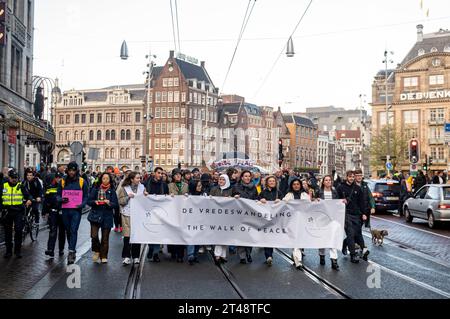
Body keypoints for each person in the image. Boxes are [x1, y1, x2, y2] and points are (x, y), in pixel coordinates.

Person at [56, 161, 89, 265]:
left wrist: (82, 204)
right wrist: (61, 199)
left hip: (76, 211)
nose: (71, 172)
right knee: (68, 231)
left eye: (73, 170)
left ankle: (71, 252)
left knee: (73, 230)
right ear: (67, 170)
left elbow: (86, 196)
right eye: (70, 170)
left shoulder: (82, 181)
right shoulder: (62, 181)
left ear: (76, 170)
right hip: (65, 210)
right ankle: (72, 249)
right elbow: (57, 195)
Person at [87, 172, 119, 264]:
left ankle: (104, 256)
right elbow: (89, 201)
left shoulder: (112, 191)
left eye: (107, 179)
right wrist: (95, 202)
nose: (105, 180)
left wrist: (109, 203)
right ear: (101, 179)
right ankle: (97, 250)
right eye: (103, 178)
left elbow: (115, 204)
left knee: (105, 238)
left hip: (107, 216)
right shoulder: (96, 189)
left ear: (110, 180)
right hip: (95, 215)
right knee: (94, 236)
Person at [117, 171, 148, 265]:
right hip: (127, 214)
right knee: (127, 236)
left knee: (137, 236)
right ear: (132, 179)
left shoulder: (142, 187)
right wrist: (127, 197)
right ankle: (126, 256)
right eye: (137, 178)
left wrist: (146, 195)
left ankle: (136, 256)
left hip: (138, 215)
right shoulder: (124, 188)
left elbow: (145, 202)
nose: (139, 180)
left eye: (140, 178)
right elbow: (120, 201)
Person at [0, 170, 32, 258]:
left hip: (18, 211)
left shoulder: (20, 186)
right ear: (9, 178)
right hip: (7, 212)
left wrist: (29, 199)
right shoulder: (3, 186)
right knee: (8, 232)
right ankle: (8, 251)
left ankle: (17, 251)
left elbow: (28, 195)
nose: (14, 179)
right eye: (12, 178)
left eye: (16, 178)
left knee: (18, 230)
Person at [336, 170, 366, 264]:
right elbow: (336, 199)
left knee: (357, 233)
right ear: (346, 177)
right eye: (350, 177)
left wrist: (364, 213)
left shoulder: (358, 188)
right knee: (350, 233)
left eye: (353, 177)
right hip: (345, 213)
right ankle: (353, 255)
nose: (352, 178)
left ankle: (345, 244)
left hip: (356, 213)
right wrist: (341, 200)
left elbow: (362, 202)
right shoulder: (340, 187)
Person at [232, 170, 258, 264]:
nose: (247, 178)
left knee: (250, 235)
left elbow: (256, 199)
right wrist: (235, 197)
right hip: (240, 215)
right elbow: (232, 199)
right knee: (241, 235)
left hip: (250, 215)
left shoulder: (254, 188)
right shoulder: (236, 187)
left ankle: (248, 253)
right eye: (245, 176)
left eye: (249, 176)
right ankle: (242, 256)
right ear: (242, 177)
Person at [283, 178, 310, 269]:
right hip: (292, 221)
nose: (296, 186)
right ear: (291, 186)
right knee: (296, 240)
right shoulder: (289, 195)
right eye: (294, 184)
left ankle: (296, 255)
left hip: (303, 220)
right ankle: (298, 261)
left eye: (298, 184)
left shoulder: (305, 195)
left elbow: (310, 206)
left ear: (300, 185)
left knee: (300, 240)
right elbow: (283, 204)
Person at [187, 173, 213, 264]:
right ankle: (190, 255)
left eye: (200, 185)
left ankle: (195, 255)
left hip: (201, 219)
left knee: (198, 237)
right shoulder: (189, 195)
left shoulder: (204, 194)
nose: (200, 187)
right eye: (198, 186)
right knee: (191, 237)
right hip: (191, 219)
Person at [258, 176, 283, 266]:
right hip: (265, 218)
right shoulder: (263, 192)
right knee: (266, 237)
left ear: (276, 183)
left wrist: (280, 201)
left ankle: (269, 255)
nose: (272, 182)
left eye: (273, 181)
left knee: (272, 237)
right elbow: (256, 203)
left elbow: (284, 204)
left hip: (275, 218)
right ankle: (268, 256)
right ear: (267, 182)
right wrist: (260, 200)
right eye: (270, 181)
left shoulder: (279, 193)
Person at [317, 175, 340, 270]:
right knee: (322, 238)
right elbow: (313, 203)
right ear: (323, 182)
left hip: (332, 218)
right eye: (326, 180)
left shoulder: (334, 192)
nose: (328, 182)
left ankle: (334, 260)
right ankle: (322, 255)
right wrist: (315, 200)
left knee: (333, 238)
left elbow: (338, 203)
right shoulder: (319, 192)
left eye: (329, 180)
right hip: (322, 219)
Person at [146, 167, 169, 262]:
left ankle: (155, 253)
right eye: (159, 173)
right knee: (150, 232)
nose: (160, 175)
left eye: (162, 173)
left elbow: (167, 197)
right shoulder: (146, 183)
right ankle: (151, 247)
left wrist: (169, 196)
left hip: (160, 212)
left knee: (158, 233)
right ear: (154, 173)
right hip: (149, 212)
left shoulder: (164, 185)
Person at [210, 174, 233, 265]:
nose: (221, 181)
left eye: (223, 179)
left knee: (225, 236)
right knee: (218, 235)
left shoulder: (230, 190)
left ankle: (223, 255)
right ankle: (217, 255)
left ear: (226, 181)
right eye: (220, 179)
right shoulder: (214, 189)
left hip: (227, 217)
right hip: (216, 216)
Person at [43, 172, 67, 257]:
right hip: (53, 212)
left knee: (62, 232)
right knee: (52, 231)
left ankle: (61, 249)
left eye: (60, 178)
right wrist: (44, 212)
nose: (58, 179)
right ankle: (50, 249)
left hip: (63, 212)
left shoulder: (65, 187)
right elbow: (46, 200)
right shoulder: (50, 187)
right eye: (57, 178)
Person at [168, 169, 189, 262]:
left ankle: (180, 255)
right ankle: (173, 252)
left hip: (183, 212)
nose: (178, 176)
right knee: (172, 232)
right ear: (173, 176)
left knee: (181, 233)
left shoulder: (186, 185)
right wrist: (169, 196)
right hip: (172, 211)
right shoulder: (169, 185)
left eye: (179, 175)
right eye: (176, 175)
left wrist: (188, 196)